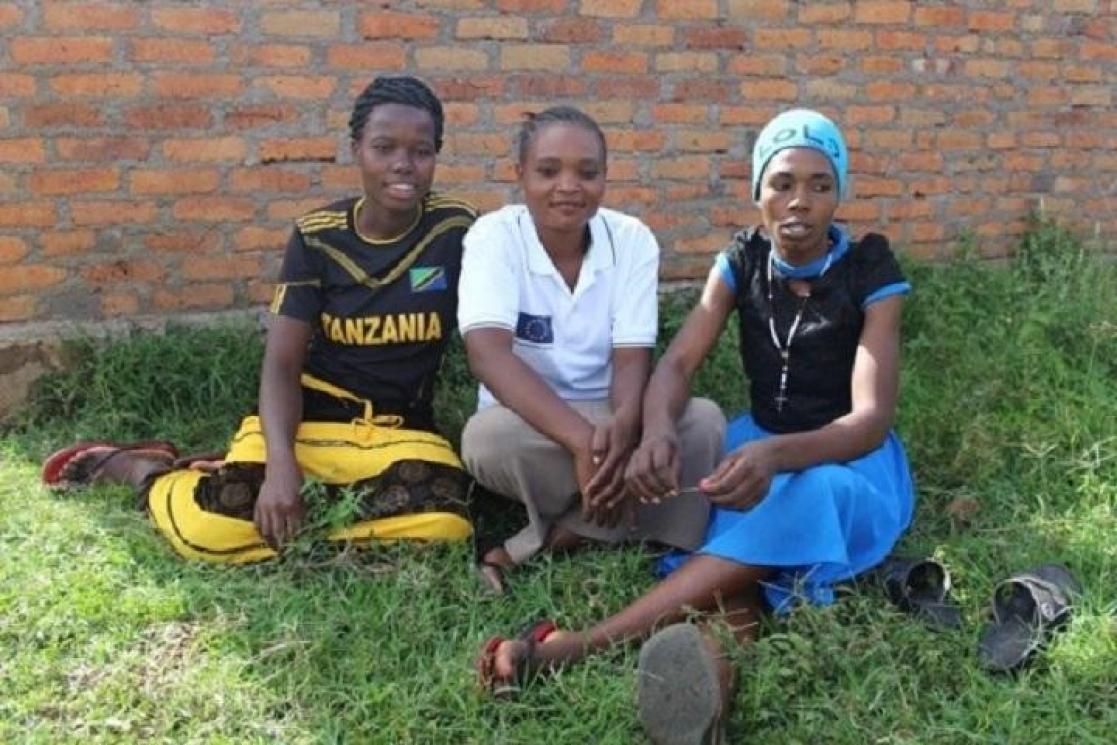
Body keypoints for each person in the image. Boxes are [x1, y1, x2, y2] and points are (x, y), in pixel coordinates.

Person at [476, 109, 914, 745]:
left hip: (844, 464)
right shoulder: (742, 260)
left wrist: (772, 457)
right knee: (742, 568)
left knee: (794, 509)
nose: (800, 202)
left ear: (838, 193)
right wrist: (656, 430)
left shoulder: (871, 270)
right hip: (754, 447)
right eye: (783, 182)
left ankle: (577, 647)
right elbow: (678, 361)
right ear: (757, 190)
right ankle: (710, 693)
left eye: (821, 185)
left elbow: (869, 422)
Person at [40, 76, 479, 563]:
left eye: (422, 151)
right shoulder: (318, 238)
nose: (403, 165)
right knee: (205, 531)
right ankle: (145, 471)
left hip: (401, 431)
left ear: (437, 155)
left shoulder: (455, 230)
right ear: (356, 149)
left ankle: (290, 514)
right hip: (312, 423)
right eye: (384, 147)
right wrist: (282, 465)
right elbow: (281, 365)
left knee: (449, 524)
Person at [457, 106, 725, 593]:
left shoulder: (631, 240)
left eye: (587, 172)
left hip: (611, 416)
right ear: (519, 175)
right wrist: (581, 443)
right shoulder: (494, 238)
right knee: (483, 441)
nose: (568, 186)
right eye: (547, 170)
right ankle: (637, 515)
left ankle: (553, 538)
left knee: (703, 424)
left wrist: (621, 433)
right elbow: (488, 356)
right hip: (526, 422)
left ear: (605, 177)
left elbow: (631, 360)